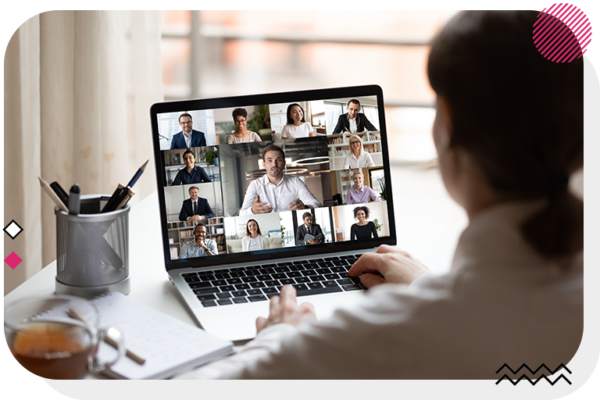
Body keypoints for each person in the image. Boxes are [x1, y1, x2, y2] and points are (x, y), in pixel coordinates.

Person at [174, 10, 583, 379]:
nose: (274, 166)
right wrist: (430, 288)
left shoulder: (390, 333)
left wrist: (280, 339)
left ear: (448, 125)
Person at [239, 144, 322, 215]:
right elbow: (242, 214)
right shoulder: (255, 185)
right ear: (264, 164)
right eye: (270, 160)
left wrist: (306, 207)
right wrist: (253, 210)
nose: (274, 164)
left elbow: (317, 204)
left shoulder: (295, 182)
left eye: (278, 160)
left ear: (284, 163)